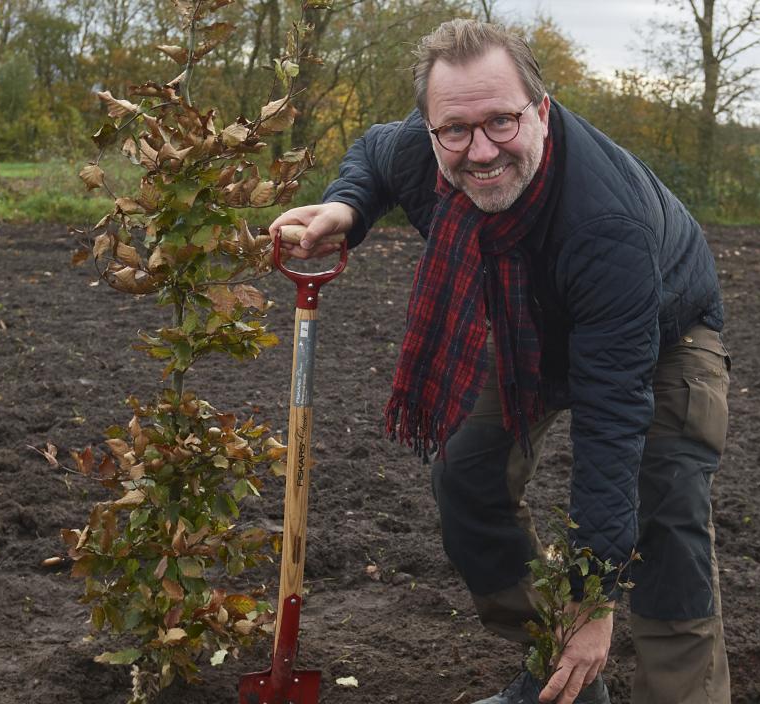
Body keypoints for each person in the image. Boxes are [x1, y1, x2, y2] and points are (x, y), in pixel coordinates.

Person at [268, 19, 730, 704]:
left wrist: (593, 594)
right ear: (430, 129)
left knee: (665, 517)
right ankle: (559, 672)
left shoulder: (606, 227)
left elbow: (611, 422)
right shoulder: (424, 149)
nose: (479, 151)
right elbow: (373, 153)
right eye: (454, 130)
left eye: (501, 123)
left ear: (540, 110)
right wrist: (347, 207)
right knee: (469, 476)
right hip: (522, 323)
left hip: (660, 338)